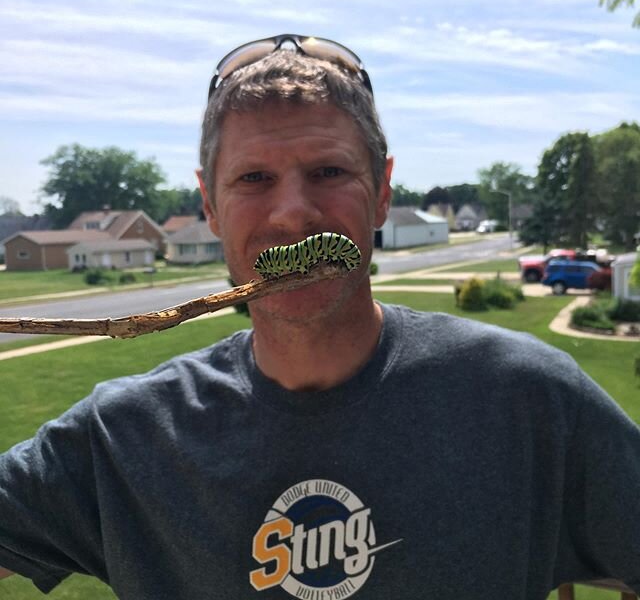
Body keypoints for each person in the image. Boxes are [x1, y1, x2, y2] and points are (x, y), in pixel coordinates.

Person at [0, 34, 639, 600]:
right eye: (254, 178)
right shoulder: (122, 440)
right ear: (211, 205)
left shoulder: (529, 400)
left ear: (383, 190)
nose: (291, 214)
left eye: (328, 171)